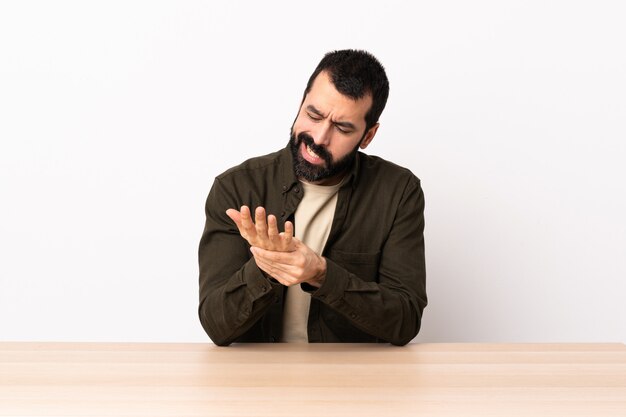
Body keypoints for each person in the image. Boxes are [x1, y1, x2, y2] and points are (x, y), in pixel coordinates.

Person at [198, 49, 426, 346]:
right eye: (313, 115)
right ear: (301, 103)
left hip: (353, 382)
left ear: (368, 136)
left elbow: (405, 322)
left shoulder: (398, 192)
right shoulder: (237, 187)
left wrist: (321, 273)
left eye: (342, 128)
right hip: (256, 381)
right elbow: (217, 327)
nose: (318, 138)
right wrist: (268, 266)